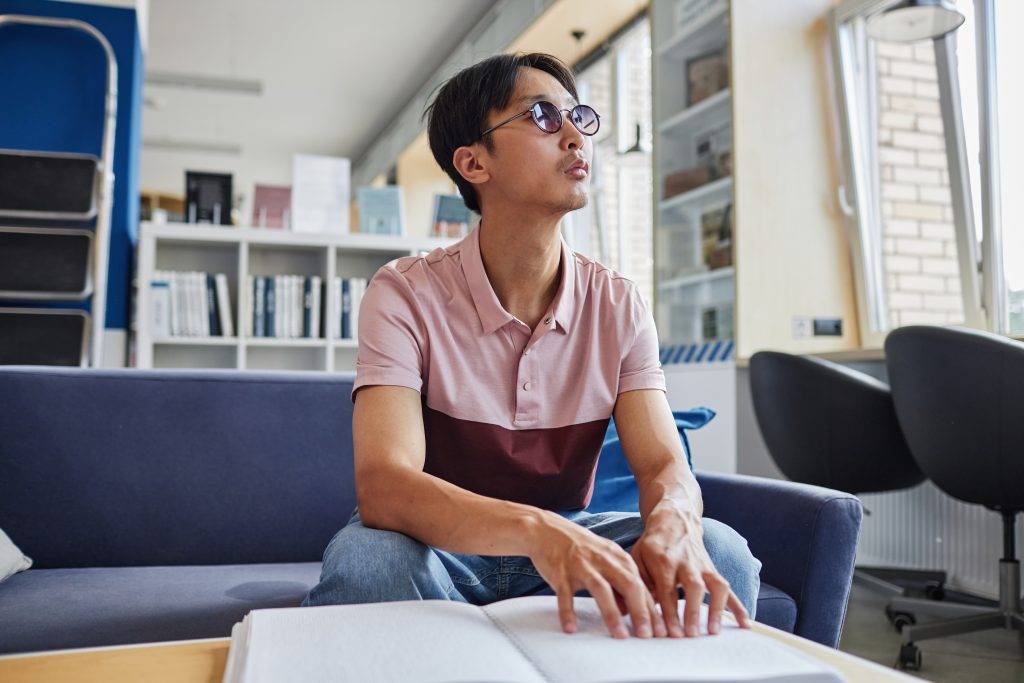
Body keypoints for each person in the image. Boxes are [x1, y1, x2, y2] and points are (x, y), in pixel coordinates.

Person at [302, 52, 761, 640]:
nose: (576, 137)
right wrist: (537, 530)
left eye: (580, 118)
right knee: (368, 561)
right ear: (473, 163)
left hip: (570, 533)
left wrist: (674, 521)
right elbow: (385, 488)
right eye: (543, 117)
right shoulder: (403, 293)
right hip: (436, 549)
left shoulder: (617, 303)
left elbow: (664, 464)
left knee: (719, 549)